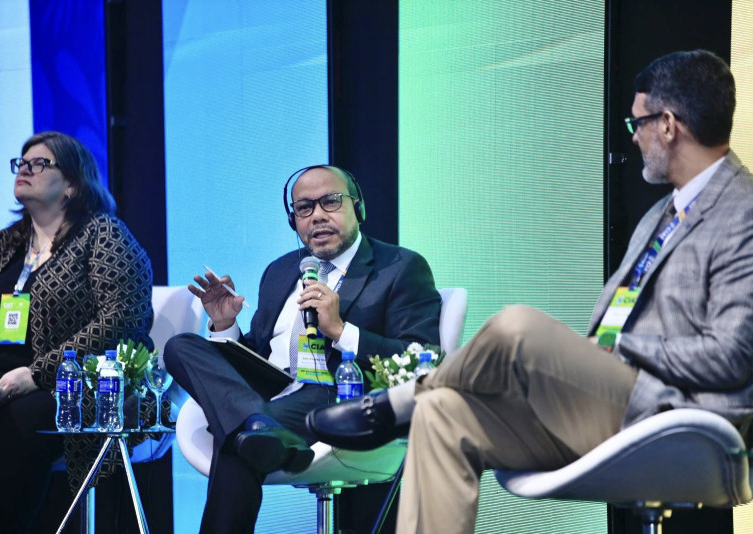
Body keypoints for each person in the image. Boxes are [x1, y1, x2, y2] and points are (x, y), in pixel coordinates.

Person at [307, 50, 753, 533]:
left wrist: (616, 350)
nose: (635, 136)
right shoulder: (661, 214)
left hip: (676, 413)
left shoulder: (742, 212)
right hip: (606, 401)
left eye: (638, 123)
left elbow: (731, 355)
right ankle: (419, 401)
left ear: (668, 125)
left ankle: (394, 405)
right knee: (442, 413)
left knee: (517, 326)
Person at [163, 165, 441, 533]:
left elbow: (421, 359)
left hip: (337, 393)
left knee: (238, 440)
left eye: (330, 201)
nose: (318, 216)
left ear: (358, 208)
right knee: (180, 346)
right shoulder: (280, 271)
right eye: (305, 208)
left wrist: (341, 330)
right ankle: (258, 423)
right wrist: (225, 324)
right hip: (271, 391)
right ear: (293, 221)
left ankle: (255, 426)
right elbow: (257, 357)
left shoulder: (400, 267)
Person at [0, 131, 154, 533]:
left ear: (73, 185)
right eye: (22, 162)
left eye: (41, 163)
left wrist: (36, 374)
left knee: (13, 425)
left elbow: (123, 320)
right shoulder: (0, 245)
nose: (25, 167)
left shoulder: (103, 234)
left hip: (74, 386)